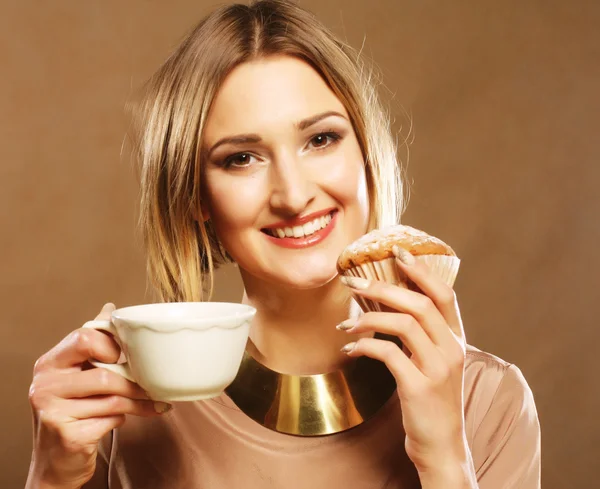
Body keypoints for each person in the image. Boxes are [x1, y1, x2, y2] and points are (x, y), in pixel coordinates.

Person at [25, 1, 541, 488]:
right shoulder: (122, 403)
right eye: (241, 158)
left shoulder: (486, 399)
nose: (294, 196)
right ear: (195, 195)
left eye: (321, 139)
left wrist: (446, 458)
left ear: (365, 151)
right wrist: (51, 474)